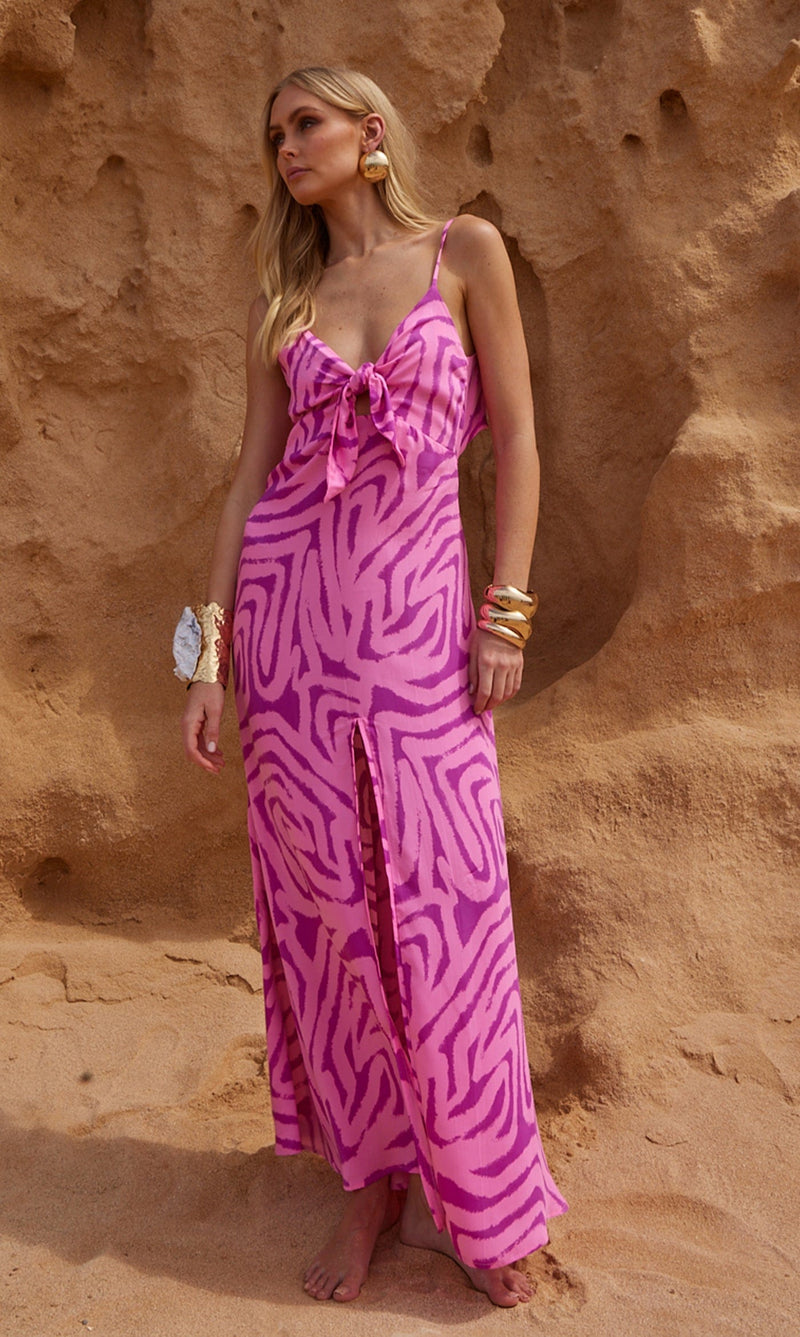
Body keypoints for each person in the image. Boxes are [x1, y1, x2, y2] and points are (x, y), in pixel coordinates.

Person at [180, 65, 567, 1309]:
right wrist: (210, 659)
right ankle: (369, 1193)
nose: (286, 145)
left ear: (369, 131)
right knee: (330, 932)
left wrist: (504, 612)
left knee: (445, 917)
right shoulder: (282, 298)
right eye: (273, 132)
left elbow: (514, 436)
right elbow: (244, 490)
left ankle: (484, 1200)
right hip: (289, 651)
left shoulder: (464, 250)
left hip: (417, 649)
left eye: (306, 122)